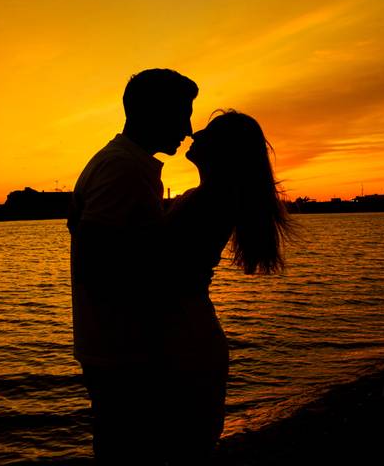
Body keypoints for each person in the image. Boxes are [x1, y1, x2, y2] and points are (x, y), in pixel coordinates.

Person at [68, 68, 198, 464]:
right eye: (182, 113)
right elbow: (96, 263)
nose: (189, 128)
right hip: (122, 351)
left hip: (117, 346)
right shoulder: (123, 169)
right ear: (151, 112)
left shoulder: (125, 164)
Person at [160, 109, 293, 464]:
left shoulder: (209, 202)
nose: (194, 134)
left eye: (208, 131)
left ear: (223, 150)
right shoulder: (205, 197)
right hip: (190, 335)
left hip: (185, 341)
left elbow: (154, 266)